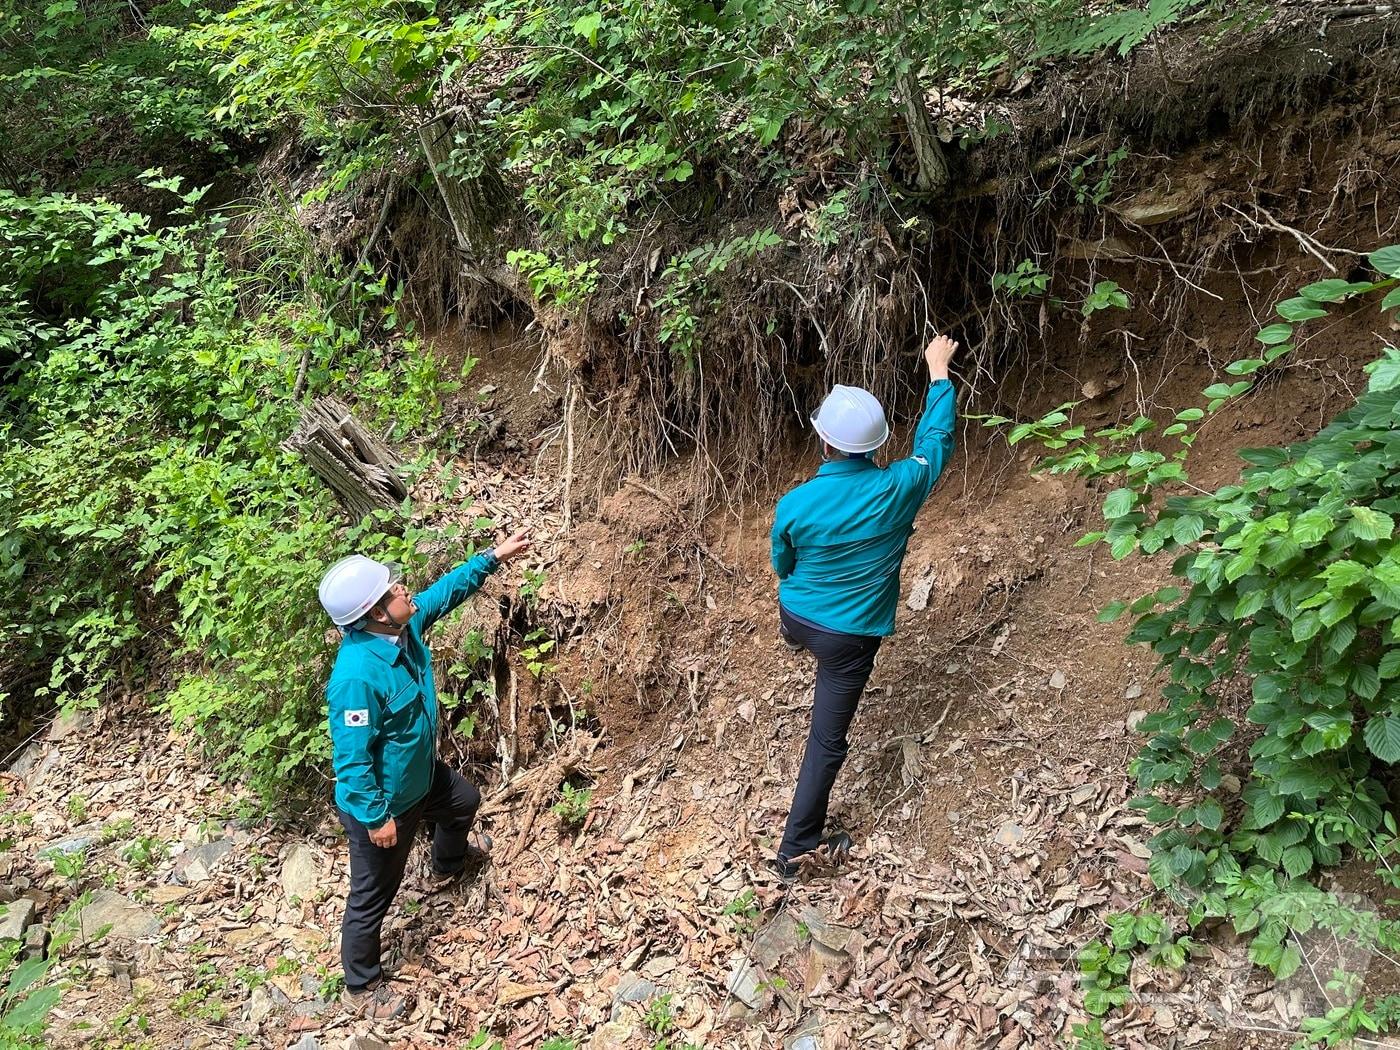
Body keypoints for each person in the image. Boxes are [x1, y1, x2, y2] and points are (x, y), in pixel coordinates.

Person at [317, 530, 530, 1017]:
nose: (404, 590)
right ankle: (361, 986)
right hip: (386, 803)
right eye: (393, 590)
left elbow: (443, 593)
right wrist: (376, 818)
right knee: (372, 897)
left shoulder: (402, 629)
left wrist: (491, 558)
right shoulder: (356, 677)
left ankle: (446, 865)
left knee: (464, 802)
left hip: (420, 777)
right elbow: (350, 762)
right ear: (374, 612)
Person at [769, 335, 959, 881]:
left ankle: (796, 640)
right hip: (849, 636)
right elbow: (935, 441)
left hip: (797, 617)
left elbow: (783, 562)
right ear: (877, 445)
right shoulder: (900, 486)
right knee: (826, 738)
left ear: (823, 442)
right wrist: (938, 374)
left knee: (806, 633)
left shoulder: (796, 502)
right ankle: (795, 849)